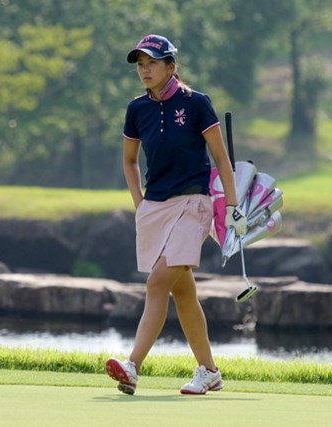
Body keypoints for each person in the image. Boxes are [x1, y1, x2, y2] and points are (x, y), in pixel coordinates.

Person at [105, 34, 247, 396]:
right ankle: (210, 371)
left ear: (171, 66)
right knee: (182, 293)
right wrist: (140, 203)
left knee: (156, 283)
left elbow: (221, 159)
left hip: (193, 204)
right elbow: (129, 160)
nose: (144, 70)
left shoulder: (197, 103)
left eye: (152, 63)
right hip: (156, 208)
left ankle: (132, 366)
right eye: (140, 64)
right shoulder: (137, 109)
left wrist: (232, 208)